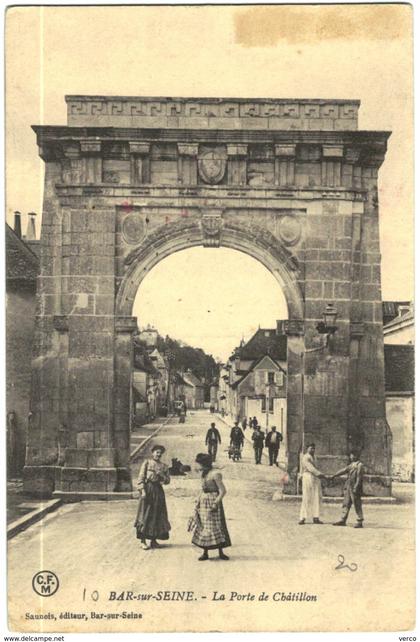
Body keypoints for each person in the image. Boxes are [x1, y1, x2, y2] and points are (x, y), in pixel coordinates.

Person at [191, 453, 231, 561]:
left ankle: (221, 552)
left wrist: (215, 503)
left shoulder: (215, 474)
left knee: (217, 526)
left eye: (199, 464)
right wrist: (198, 499)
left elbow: (223, 491)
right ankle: (205, 552)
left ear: (204, 464)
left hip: (213, 501)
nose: (197, 466)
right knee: (205, 526)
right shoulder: (203, 473)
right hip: (204, 502)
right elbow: (203, 488)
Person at [134, 445, 171, 549]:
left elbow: (167, 481)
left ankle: (153, 540)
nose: (158, 454)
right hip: (148, 490)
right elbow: (141, 478)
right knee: (145, 514)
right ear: (152, 453)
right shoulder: (147, 463)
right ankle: (143, 541)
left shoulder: (164, 466)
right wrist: (143, 491)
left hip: (158, 491)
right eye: (156, 452)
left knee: (157, 515)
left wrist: (161, 475)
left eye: (160, 453)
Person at [331, 451, 365, 528]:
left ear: (357, 456)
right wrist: (334, 475)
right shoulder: (351, 465)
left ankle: (360, 521)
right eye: (350, 455)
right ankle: (343, 519)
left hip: (355, 487)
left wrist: (356, 487)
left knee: (357, 504)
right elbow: (344, 470)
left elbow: (359, 478)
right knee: (346, 503)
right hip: (348, 486)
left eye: (353, 455)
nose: (351, 457)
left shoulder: (360, 465)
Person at [299, 443, 325, 525]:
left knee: (316, 496)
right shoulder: (305, 457)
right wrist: (320, 474)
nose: (312, 450)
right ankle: (302, 518)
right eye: (311, 448)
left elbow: (316, 468)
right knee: (306, 496)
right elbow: (311, 468)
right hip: (308, 477)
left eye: (314, 448)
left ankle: (316, 517)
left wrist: (319, 475)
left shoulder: (315, 457)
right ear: (307, 449)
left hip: (315, 478)